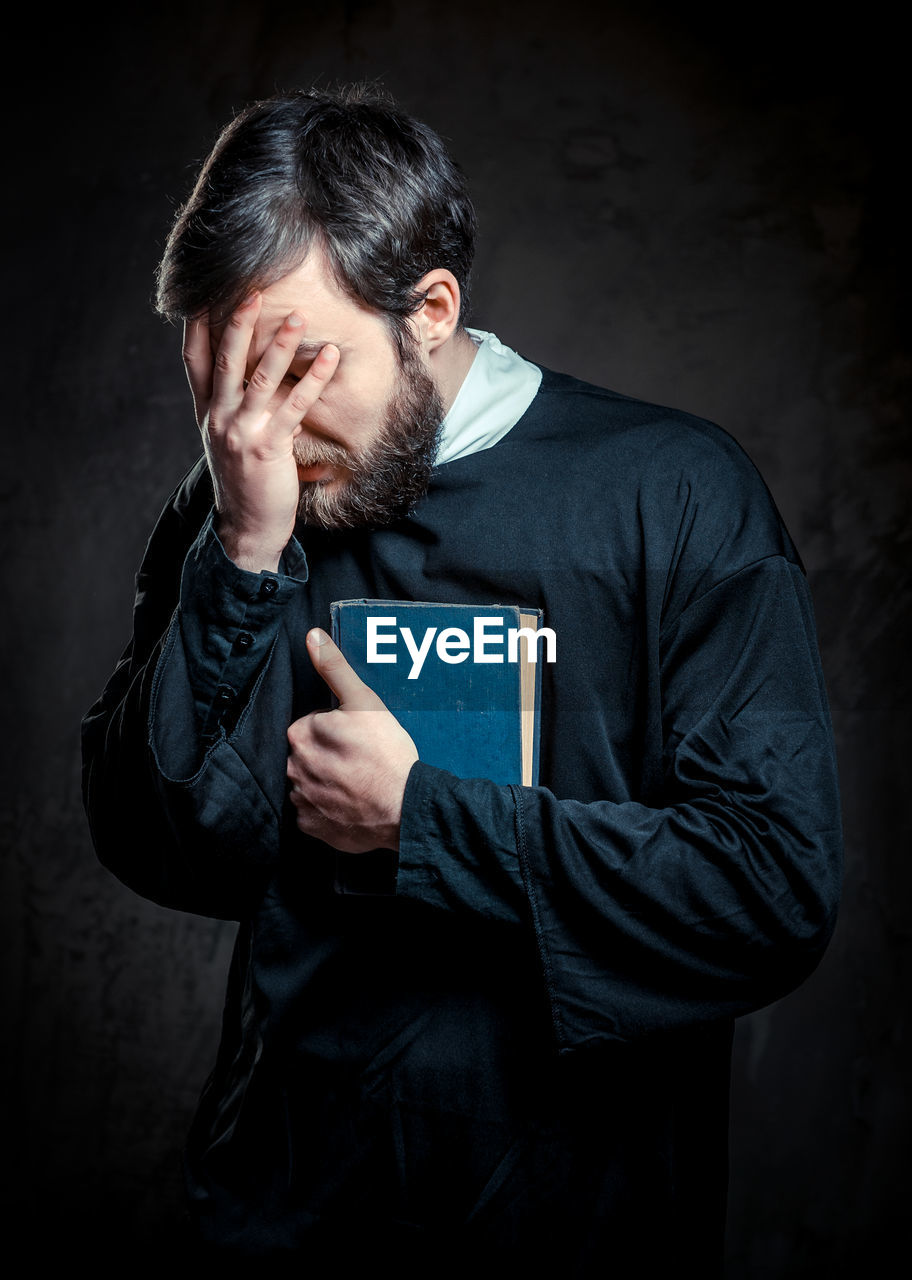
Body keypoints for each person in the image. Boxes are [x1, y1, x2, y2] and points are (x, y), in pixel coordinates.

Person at [82, 85, 842, 1275]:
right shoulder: (241, 494)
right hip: (285, 1225)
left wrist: (426, 818)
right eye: (221, 377)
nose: (258, 427)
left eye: (297, 366)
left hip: (578, 1229)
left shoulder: (675, 494)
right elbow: (167, 844)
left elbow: (769, 895)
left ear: (430, 310)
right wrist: (241, 553)